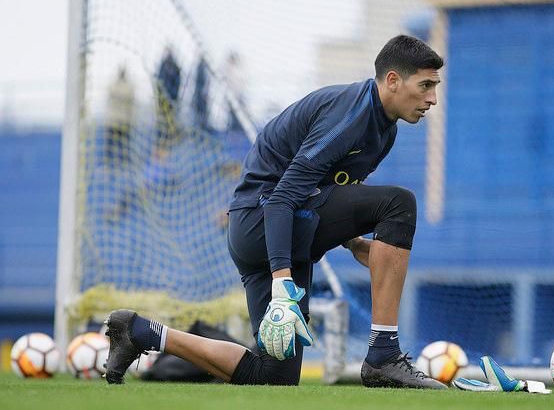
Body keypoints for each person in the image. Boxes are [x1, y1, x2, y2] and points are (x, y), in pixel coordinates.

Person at [103, 35, 447, 389]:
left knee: (273, 376)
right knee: (399, 203)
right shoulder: (351, 116)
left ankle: (141, 332)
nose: (432, 98)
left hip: (267, 231)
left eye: (434, 87)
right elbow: (283, 197)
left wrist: (352, 240)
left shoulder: (384, 130)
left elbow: (326, 187)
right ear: (392, 80)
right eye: (425, 85)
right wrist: (282, 280)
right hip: (266, 223)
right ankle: (384, 355)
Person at [105, 66, 135, 165]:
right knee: (119, 145)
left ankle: (112, 163)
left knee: (119, 145)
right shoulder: (129, 87)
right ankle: (119, 162)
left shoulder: (114, 86)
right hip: (122, 120)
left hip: (116, 120)